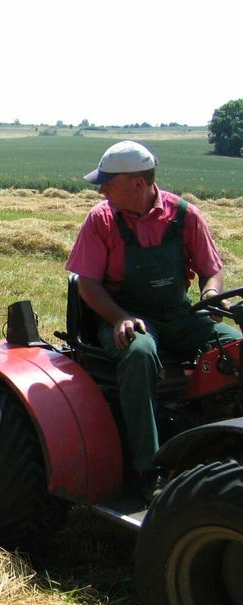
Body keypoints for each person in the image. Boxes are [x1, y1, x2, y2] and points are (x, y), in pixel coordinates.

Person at [66, 140, 241, 490]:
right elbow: (88, 284)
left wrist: (210, 295)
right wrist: (118, 318)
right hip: (124, 314)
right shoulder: (101, 219)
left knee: (237, 345)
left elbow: (211, 269)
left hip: (179, 314)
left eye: (108, 182)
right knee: (140, 352)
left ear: (137, 184)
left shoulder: (183, 215)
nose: (101, 190)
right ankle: (149, 467)